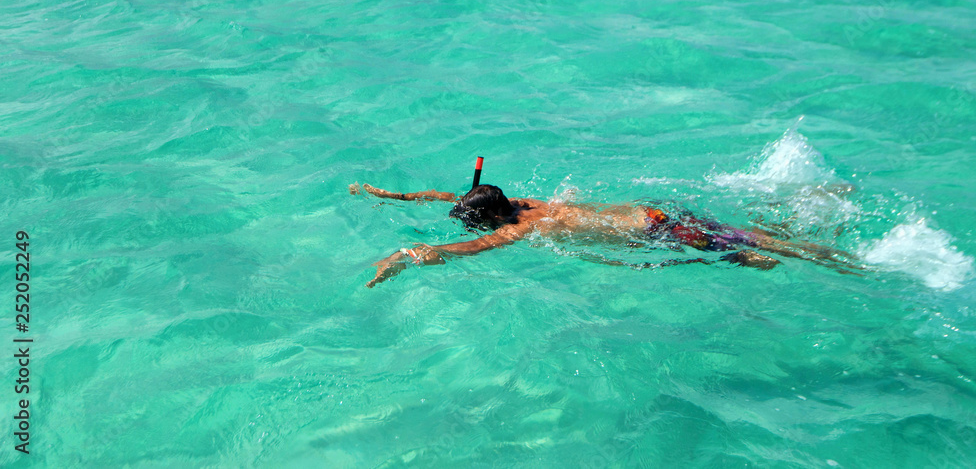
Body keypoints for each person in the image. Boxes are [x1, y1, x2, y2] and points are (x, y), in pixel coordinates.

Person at [351, 182, 861, 287]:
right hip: (653, 215)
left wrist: (407, 255)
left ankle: (841, 259)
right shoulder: (526, 201)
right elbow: (447, 196)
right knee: (741, 249)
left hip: (661, 232)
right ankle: (793, 217)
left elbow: (466, 249)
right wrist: (391, 197)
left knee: (768, 248)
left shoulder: (520, 228)